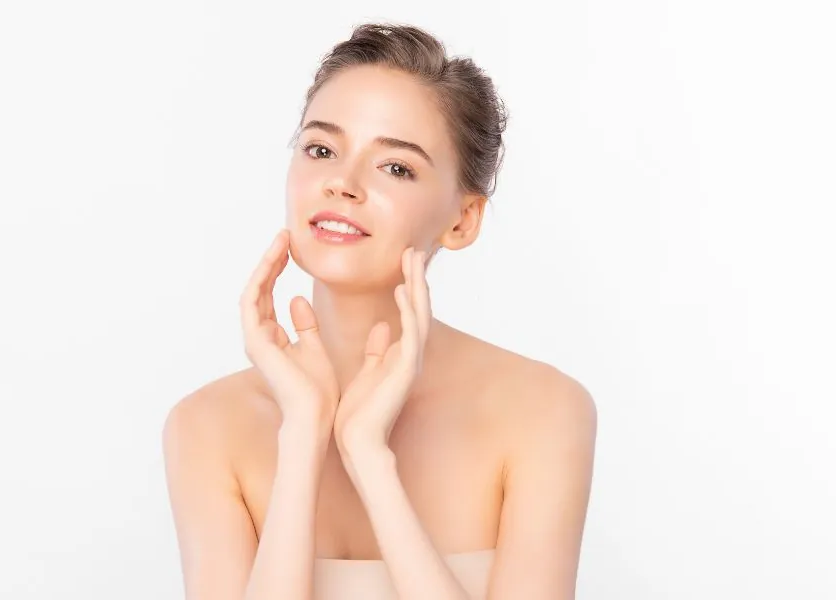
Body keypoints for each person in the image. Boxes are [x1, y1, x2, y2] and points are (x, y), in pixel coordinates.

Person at [163, 21, 597, 600]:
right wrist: (302, 440)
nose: (342, 183)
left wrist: (370, 457)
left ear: (462, 220)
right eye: (321, 149)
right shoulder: (206, 427)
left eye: (395, 166)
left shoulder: (542, 411)